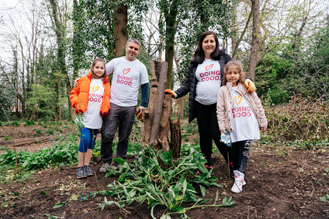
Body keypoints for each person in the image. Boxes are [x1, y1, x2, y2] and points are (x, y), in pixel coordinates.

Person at [165, 31, 255, 173]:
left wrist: (248, 80)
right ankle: (206, 164)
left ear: (216, 43)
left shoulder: (223, 58)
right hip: (200, 103)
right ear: (201, 44)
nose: (209, 44)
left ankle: (232, 162)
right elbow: (188, 84)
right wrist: (176, 93)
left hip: (219, 104)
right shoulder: (195, 63)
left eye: (211, 41)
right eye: (206, 41)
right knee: (204, 133)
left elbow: (236, 72)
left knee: (217, 134)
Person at [216, 60, 267, 193]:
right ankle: (238, 175)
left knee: (244, 149)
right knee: (234, 150)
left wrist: (262, 121)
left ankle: (239, 179)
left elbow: (257, 103)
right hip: (234, 126)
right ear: (225, 75)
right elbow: (220, 110)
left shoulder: (246, 86)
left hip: (248, 124)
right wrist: (222, 127)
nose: (232, 76)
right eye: (230, 73)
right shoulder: (222, 90)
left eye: (235, 73)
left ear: (240, 74)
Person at [99, 38, 149, 172]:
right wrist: (82, 81)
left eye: (136, 49)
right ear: (126, 47)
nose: (132, 50)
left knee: (124, 136)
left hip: (130, 106)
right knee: (107, 134)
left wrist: (143, 104)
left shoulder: (140, 66)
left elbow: (145, 86)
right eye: (131, 47)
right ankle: (106, 161)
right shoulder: (116, 62)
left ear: (138, 51)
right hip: (113, 103)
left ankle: (120, 160)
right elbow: (101, 74)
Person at [70, 58, 111, 179]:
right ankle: (80, 167)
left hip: (96, 118)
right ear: (92, 68)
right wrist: (77, 103)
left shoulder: (106, 84)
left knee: (92, 143)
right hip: (84, 117)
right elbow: (73, 94)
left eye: (101, 68)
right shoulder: (83, 80)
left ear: (104, 70)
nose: (99, 70)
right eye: (97, 67)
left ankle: (86, 166)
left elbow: (108, 98)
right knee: (85, 139)